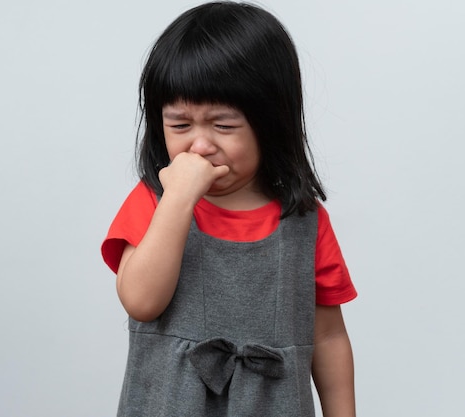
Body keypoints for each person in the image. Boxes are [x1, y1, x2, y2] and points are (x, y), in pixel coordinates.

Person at [101, 2, 357, 415]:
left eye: (223, 126)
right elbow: (141, 302)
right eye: (180, 125)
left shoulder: (304, 223)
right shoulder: (155, 200)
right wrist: (179, 199)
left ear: (271, 124)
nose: (200, 145)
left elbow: (327, 337)